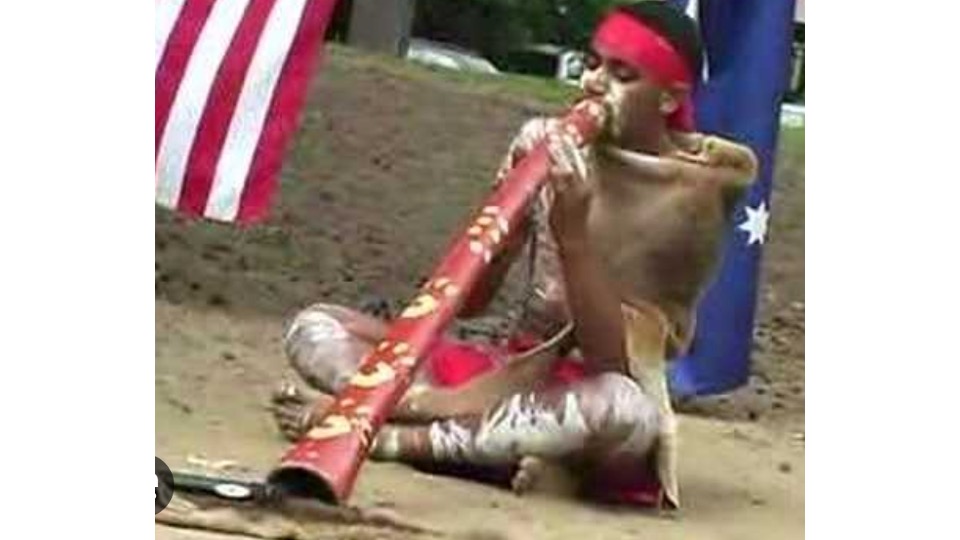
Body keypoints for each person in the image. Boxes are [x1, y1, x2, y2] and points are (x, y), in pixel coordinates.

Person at [271, 1, 758, 510]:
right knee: (317, 327)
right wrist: (506, 215)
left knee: (621, 410)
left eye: (622, 75)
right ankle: (472, 438)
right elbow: (472, 304)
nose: (594, 83)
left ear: (669, 99)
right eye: (593, 63)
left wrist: (573, 237)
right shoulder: (544, 141)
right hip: (506, 377)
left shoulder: (691, 197)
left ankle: (392, 435)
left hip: (588, 393)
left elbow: (610, 361)